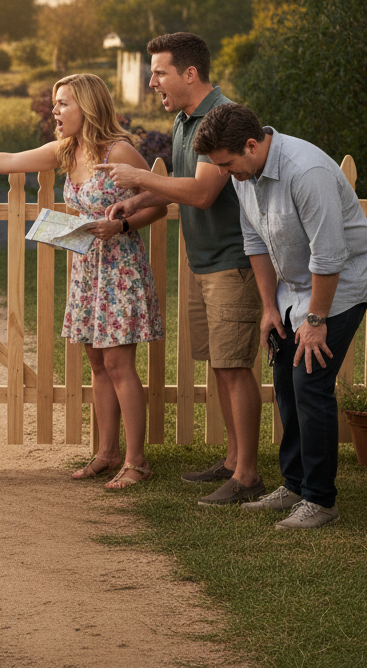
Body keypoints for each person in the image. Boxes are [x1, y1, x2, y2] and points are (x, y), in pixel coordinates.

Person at [0, 74, 165, 488]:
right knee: (98, 364)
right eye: (55, 103)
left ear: (88, 106)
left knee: (119, 365)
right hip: (87, 271)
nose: (55, 110)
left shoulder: (119, 151)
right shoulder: (66, 150)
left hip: (120, 270)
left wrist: (121, 226)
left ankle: (137, 463)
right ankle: (107, 454)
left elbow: (160, 201)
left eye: (63, 103)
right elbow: (10, 160)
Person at [192, 103, 367, 529]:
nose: (223, 173)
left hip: (340, 288)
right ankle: (294, 485)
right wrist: (268, 308)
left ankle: (320, 500)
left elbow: (329, 255)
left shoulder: (305, 171)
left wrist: (315, 321)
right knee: (284, 383)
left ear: (251, 144)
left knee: (309, 385)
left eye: (226, 164)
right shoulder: (244, 174)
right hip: (292, 290)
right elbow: (255, 242)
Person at [97, 33, 266, 506]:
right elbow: (181, 182)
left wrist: (139, 178)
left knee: (234, 367)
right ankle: (232, 461)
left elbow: (203, 193)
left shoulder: (222, 119)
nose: (152, 82)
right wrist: (137, 201)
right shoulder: (183, 119)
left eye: (160, 73)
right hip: (203, 261)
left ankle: (248, 476)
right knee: (219, 364)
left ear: (190, 74)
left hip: (232, 262)